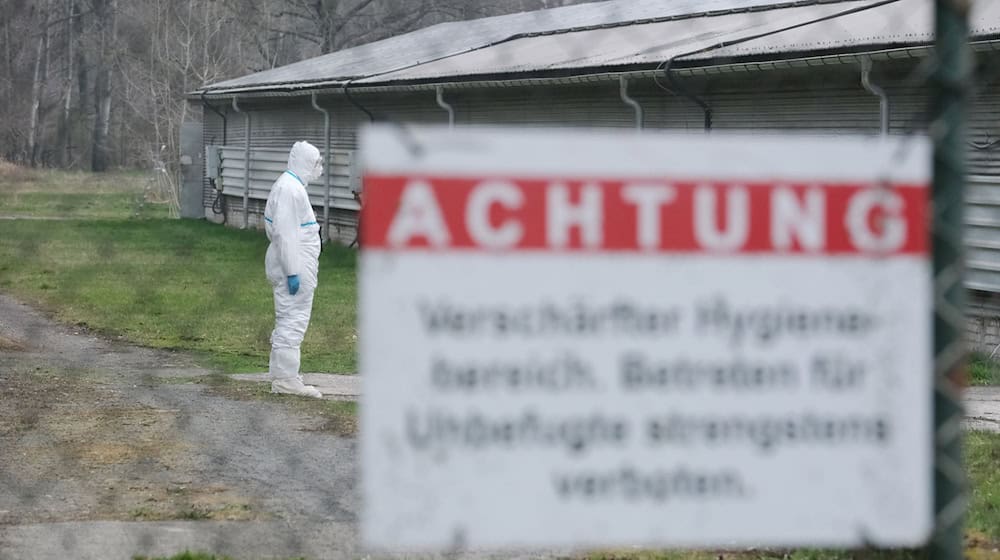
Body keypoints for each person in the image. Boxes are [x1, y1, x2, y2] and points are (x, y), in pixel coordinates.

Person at [264, 141, 324, 398]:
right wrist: (292, 272)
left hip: (298, 262)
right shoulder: (289, 190)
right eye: (317, 162)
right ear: (305, 163)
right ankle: (286, 380)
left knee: (291, 319)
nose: (319, 167)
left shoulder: (291, 186)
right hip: (294, 264)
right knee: (293, 320)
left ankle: (285, 375)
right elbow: (285, 234)